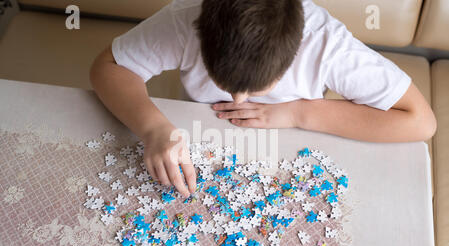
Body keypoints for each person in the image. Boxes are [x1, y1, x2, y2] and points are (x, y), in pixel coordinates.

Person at [90, 0, 436, 198]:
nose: (237, 97)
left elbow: (420, 120)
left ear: (294, 56)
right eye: (221, 80)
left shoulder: (327, 45)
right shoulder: (187, 18)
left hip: (291, 150)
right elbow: (107, 66)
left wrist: (299, 113)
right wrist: (152, 128)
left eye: (254, 90)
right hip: (199, 138)